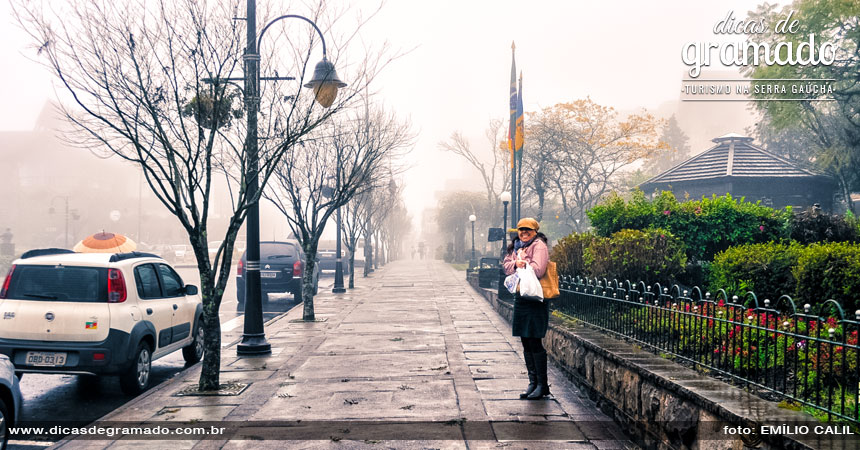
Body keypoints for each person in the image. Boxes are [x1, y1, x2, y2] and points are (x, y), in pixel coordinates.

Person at [503, 218, 551, 400]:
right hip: (522, 297)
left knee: (534, 341)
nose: (524, 232)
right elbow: (507, 266)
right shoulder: (515, 246)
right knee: (525, 340)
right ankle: (533, 382)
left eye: (528, 230)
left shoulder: (539, 246)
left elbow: (538, 270)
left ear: (535, 231)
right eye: (521, 230)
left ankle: (542, 385)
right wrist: (516, 263)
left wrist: (524, 262)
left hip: (536, 299)